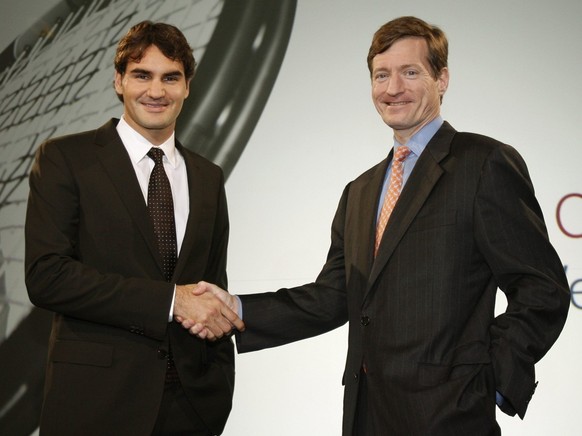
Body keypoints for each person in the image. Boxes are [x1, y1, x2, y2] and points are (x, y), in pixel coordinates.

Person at [181, 16, 570, 436]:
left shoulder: (483, 163)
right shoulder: (360, 191)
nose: (393, 88)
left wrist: (487, 380)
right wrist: (236, 310)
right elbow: (332, 297)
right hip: (365, 414)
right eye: (381, 75)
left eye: (409, 72)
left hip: (451, 417)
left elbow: (542, 288)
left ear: (442, 79)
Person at [24, 21, 243, 436]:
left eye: (170, 78)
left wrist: (218, 386)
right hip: (95, 404)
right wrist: (169, 301)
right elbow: (46, 276)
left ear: (187, 87)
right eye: (142, 75)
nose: (156, 91)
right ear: (119, 80)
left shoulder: (207, 176)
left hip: (192, 409)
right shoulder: (65, 159)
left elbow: (211, 285)